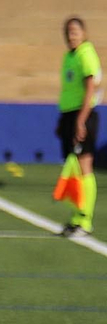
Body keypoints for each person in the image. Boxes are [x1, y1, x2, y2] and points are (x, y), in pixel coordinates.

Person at [57, 17, 99, 236]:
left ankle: (85, 220)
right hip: (69, 114)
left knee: (84, 167)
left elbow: (91, 88)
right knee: (73, 167)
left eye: (75, 32)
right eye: (68, 32)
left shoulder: (86, 53)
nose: (71, 36)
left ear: (83, 33)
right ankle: (75, 218)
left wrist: (81, 120)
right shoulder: (69, 56)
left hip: (83, 114)